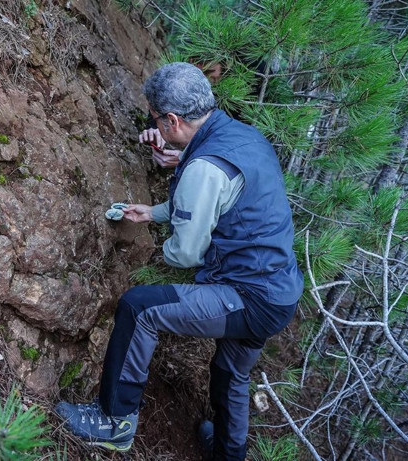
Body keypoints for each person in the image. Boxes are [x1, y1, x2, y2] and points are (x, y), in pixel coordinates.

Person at [55, 62, 303, 461]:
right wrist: (154, 212)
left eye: (155, 118)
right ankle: (228, 453)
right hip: (281, 291)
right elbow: (223, 201)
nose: (154, 124)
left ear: (170, 119)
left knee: (139, 309)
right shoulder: (243, 136)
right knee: (230, 374)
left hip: (248, 294)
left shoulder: (203, 167)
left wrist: (159, 250)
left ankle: (113, 423)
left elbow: (186, 252)